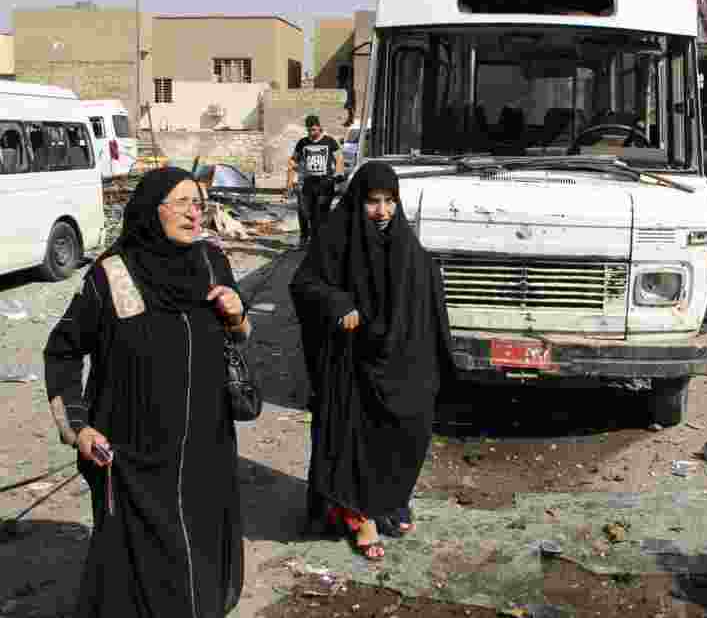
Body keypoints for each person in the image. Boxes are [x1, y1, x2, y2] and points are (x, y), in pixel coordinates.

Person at [43, 167, 251, 617]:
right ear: (151, 209)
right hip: (134, 453)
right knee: (142, 569)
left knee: (197, 553)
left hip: (205, 446)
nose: (194, 214)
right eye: (181, 203)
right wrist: (77, 428)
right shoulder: (111, 276)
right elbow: (61, 352)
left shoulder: (212, 261)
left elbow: (238, 336)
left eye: (198, 203)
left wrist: (237, 316)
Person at [289, 162, 455, 561]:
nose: (381, 212)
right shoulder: (336, 236)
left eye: (389, 202)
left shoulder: (403, 241)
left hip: (398, 360)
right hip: (351, 362)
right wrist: (337, 301)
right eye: (372, 202)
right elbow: (305, 283)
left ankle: (389, 502)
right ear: (357, 201)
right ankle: (359, 516)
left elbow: (423, 286)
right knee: (356, 438)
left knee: (406, 432)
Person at [288, 115, 343, 247]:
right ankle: (305, 239)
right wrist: (292, 177)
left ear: (319, 127)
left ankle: (321, 241)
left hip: (325, 183)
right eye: (309, 130)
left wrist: (338, 175)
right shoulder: (302, 143)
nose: (312, 133)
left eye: (314, 130)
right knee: (305, 212)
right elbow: (293, 160)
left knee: (321, 213)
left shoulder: (330, 141)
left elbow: (339, 159)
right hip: (308, 183)